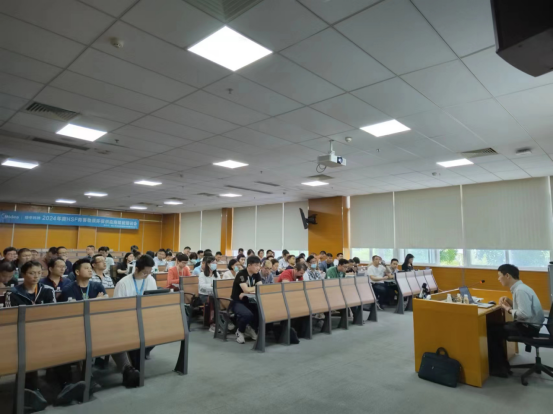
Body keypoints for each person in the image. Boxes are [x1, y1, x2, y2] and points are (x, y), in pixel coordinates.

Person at [6, 261, 88, 410]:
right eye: (31, 273)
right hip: (23, 334)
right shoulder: (12, 293)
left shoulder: (47, 290)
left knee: (60, 345)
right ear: (23, 274)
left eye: (39, 273)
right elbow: (9, 319)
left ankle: (67, 386)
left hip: (45, 332)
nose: (36, 276)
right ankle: (32, 392)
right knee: (28, 351)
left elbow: (53, 314)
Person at [488, 264, 546, 378]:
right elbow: (524, 309)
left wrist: (508, 309)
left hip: (528, 327)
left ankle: (500, 369)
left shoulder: (520, 291)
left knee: (491, 331)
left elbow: (524, 314)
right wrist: (509, 301)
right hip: (530, 325)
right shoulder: (521, 288)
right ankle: (503, 366)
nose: (498, 279)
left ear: (507, 276)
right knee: (495, 328)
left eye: (499, 276)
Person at [112, 256, 157, 388]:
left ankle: (136, 363)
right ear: (136, 269)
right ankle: (133, 369)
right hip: (127, 321)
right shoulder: (123, 283)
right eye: (144, 272)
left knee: (158, 332)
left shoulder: (150, 280)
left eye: (149, 272)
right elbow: (117, 308)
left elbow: (154, 300)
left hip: (145, 318)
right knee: (135, 338)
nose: (147, 275)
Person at [231, 256, 262, 344]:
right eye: (256, 265)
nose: (258, 268)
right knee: (247, 314)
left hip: (249, 301)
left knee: (260, 311)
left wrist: (247, 291)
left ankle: (250, 328)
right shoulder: (241, 274)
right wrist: (248, 290)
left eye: (259, 265)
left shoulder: (256, 274)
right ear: (249, 265)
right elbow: (246, 289)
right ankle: (240, 331)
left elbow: (260, 287)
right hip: (237, 302)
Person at [199, 256, 219, 332]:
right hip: (204, 295)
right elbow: (202, 286)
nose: (215, 264)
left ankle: (219, 322)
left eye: (216, 263)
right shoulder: (202, 274)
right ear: (208, 264)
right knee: (213, 300)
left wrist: (212, 286)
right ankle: (212, 323)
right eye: (213, 263)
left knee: (220, 300)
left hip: (214, 294)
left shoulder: (216, 274)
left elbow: (219, 285)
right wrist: (212, 286)